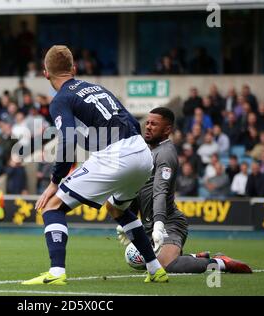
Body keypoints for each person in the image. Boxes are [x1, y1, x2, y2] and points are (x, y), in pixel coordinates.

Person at [22, 45, 168, 285]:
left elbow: (67, 140)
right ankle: (155, 268)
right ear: (74, 69)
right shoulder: (96, 88)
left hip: (117, 155)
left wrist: (53, 182)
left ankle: (56, 273)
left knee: (51, 206)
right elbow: (130, 120)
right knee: (117, 209)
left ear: (45, 73)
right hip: (141, 153)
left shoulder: (61, 99)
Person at [117, 107, 252, 274]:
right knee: (141, 261)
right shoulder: (148, 151)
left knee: (165, 265)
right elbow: (138, 189)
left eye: (154, 124)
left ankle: (220, 262)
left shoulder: (165, 154)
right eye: (148, 123)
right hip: (150, 225)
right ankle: (196, 256)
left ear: (167, 130)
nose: (148, 127)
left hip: (168, 222)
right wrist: (129, 221)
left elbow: (160, 191)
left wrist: (159, 224)